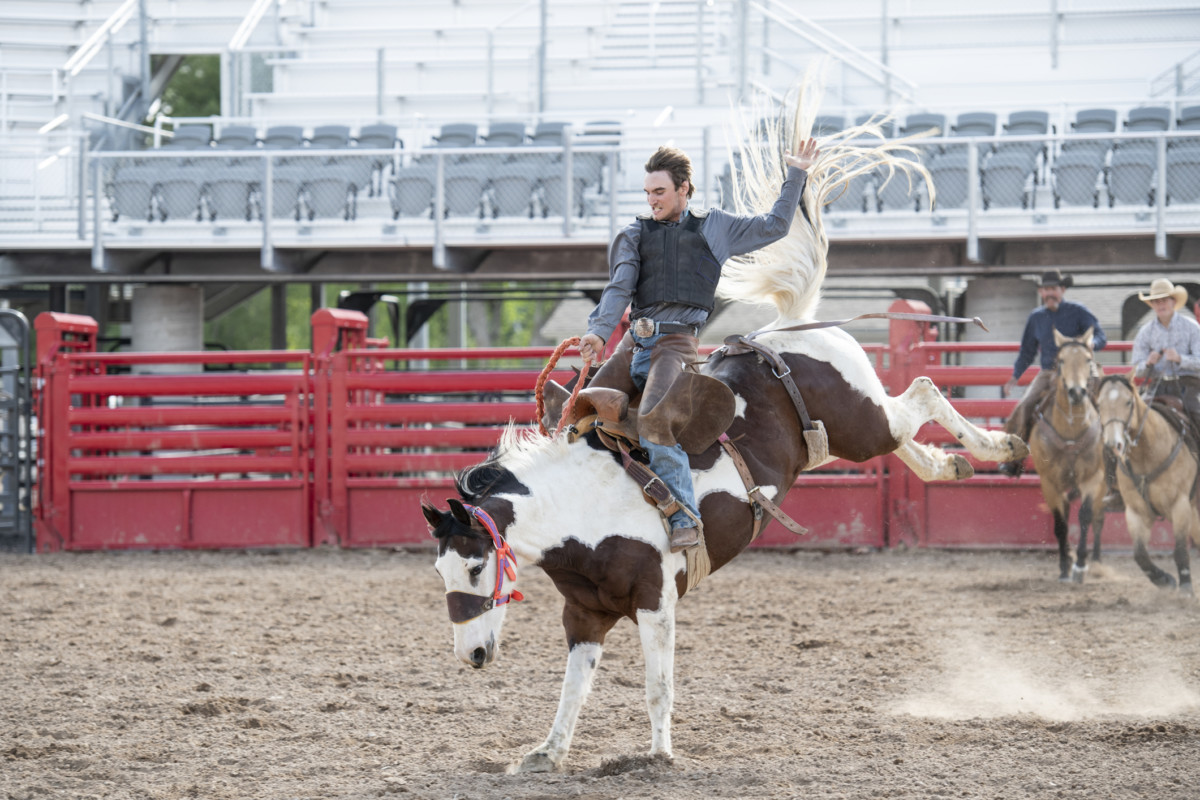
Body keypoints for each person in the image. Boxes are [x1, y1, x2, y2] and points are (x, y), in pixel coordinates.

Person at [578, 139, 820, 552]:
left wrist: (796, 173)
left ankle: (683, 516)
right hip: (633, 344)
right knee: (575, 410)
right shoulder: (634, 233)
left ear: (684, 189)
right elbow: (619, 288)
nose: (652, 200)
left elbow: (775, 226)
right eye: (648, 193)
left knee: (656, 420)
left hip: (675, 346)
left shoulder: (716, 227)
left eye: (660, 192)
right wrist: (599, 331)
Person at [998, 269, 1108, 478]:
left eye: (1054, 289)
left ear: (1062, 290)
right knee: (1025, 405)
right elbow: (1027, 351)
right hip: (1050, 372)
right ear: (1040, 291)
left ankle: (1113, 453)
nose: (1050, 294)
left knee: (1105, 400)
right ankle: (1014, 460)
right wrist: (1015, 375)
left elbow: (1101, 335)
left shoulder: (1078, 311)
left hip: (1080, 370)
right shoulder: (1036, 317)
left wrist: (1093, 343)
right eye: (1046, 289)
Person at [1131, 277, 1200, 433]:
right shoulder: (1145, 332)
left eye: (1164, 300)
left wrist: (1180, 359)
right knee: (1134, 416)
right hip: (1157, 385)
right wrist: (1148, 363)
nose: (1160, 304)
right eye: (1156, 301)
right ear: (1152, 305)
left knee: (1197, 416)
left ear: (1173, 301)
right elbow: (1136, 368)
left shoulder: (1191, 327)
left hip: (1188, 386)